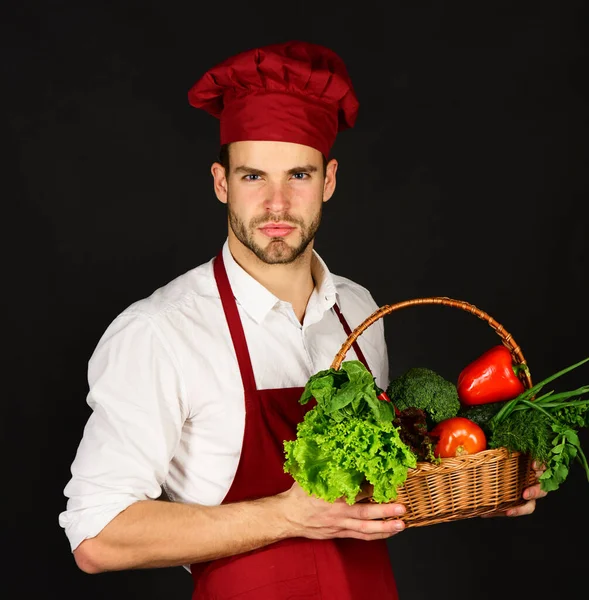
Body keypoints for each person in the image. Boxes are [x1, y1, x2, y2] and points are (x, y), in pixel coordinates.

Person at [59, 40, 547, 599]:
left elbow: (369, 500)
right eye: (251, 177)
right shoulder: (160, 331)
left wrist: (476, 492)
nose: (276, 203)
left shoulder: (359, 312)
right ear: (221, 183)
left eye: (297, 174)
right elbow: (96, 536)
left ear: (329, 180)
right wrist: (288, 516)